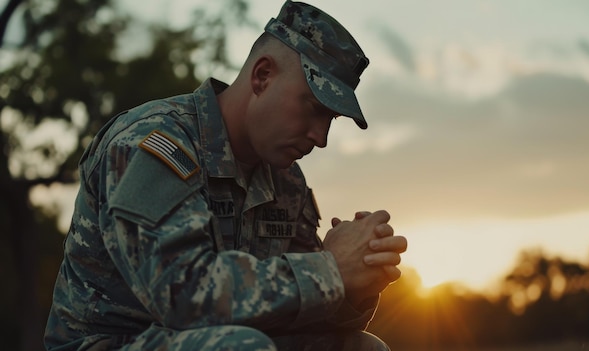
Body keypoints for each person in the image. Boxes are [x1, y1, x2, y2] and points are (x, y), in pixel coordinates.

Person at [44, 1, 408, 350]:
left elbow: (300, 311)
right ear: (262, 75)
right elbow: (181, 296)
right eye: (313, 110)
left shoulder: (287, 181)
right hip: (113, 344)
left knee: (360, 347)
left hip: (230, 341)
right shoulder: (153, 142)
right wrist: (330, 270)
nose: (321, 137)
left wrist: (355, 282)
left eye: (330, 120)